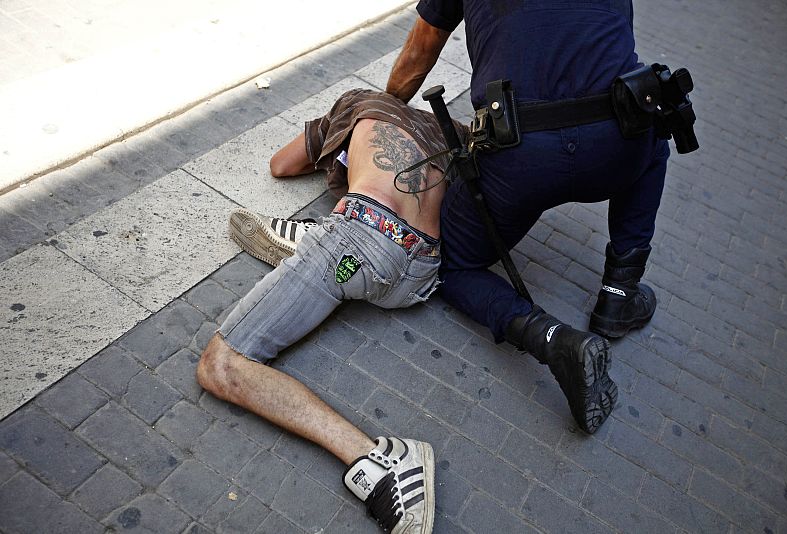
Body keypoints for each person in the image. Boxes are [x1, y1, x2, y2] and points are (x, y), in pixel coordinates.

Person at [379, 1, 671, 433]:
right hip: (617, 138)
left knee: (451, 261)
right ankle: (621, 292)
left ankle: (554, 341)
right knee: (654, 137)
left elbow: (419, 54)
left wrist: (379, 115)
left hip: (521, 154)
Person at [196, 88, 473, 534]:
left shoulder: (359, 103)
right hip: (420, 271)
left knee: (221, 366)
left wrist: (335, 143)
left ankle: (385, 464)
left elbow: (281, 165)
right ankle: (309, 244)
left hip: (359, 240)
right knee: (345, 259)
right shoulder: (451, 131)